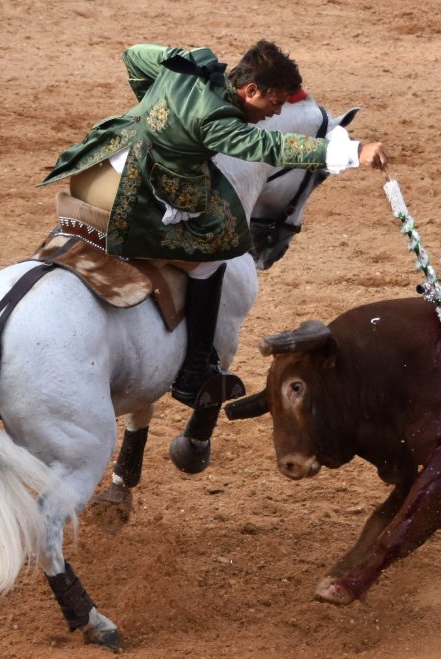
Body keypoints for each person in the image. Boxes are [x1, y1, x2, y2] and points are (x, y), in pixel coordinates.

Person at [40, 41, 388, 407]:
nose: (276, 112)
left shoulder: (190, 67)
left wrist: (161, 106)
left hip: (94, 170)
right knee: (212, 258)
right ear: (250, 91)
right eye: (274, 102)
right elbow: (272, 148)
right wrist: (353, 151)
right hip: (125, 196)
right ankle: (194, 372)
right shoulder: (217, 121)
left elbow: (135, 55)